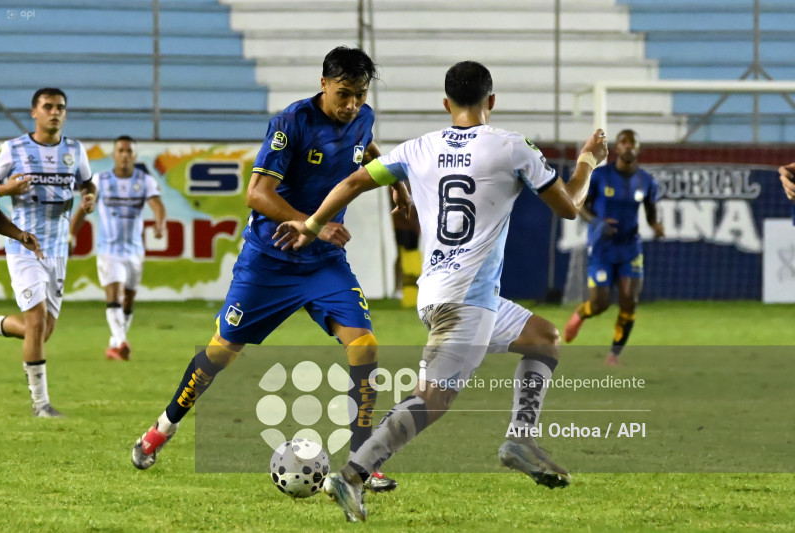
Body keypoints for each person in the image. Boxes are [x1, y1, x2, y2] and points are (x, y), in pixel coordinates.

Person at [273, 60, 609, 522]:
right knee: (433, 398)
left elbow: (352, 181)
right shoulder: (512, 147)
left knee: (544, 339)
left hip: (446, 294)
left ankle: (520, 438)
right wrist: (590, 159)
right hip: (465, 301)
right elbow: (570, 206)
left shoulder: (419, 148)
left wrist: (311, 225)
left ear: (446, 103)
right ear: (491, 101)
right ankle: (352, 474)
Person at [130, 46, 407, 493]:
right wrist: (311, 225)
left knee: (365, 346)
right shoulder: (291, 122)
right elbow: (257, 194)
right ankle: (162, 427)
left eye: (359, 94)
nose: (351, 104)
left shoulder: (362, 116)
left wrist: (398, 181)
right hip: (269, 259)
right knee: (220, 353)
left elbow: (365, 144)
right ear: (323, 84)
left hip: (322, 262)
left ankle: (363, 460)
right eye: (343, 94)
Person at [0, 87, 95, 417]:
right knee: (36, 324)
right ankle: (41, 406)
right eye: (48, 106)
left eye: (60, 107)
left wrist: (89, 196)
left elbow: (87, 183)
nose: (55, 112)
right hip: (24, 247)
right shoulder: (13, 150)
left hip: (57, 250)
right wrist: (6, 189)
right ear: (34, 112)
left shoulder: (75, 151)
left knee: (41, 331)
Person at [563, 129, 663, 366]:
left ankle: (613, 354)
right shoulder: (600, 177)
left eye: (633, 144)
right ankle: (581, 314)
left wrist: (656, 226)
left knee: (630, 299)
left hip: (630, 249)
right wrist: (597, 222)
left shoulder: (646, 182)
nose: (628, 147)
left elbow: (651, 214)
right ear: (617, 148)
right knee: (600, 304)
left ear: (638, 149)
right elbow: (579, 207)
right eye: (624, 143)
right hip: (602, 249)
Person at [69, 135, 166, 361]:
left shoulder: (145, 181)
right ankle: (122, 341)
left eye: (128, 151)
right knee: (114, 294)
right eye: (120, 150)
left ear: (135, 155)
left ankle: (114, 344)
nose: (124, 155)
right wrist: (72, 235)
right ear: (114, 155)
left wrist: (160, 224)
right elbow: (83, 209)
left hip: (134, 251)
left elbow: (157, 205)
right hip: (108, 250)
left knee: (128, 300)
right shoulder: (100, 181)